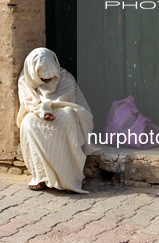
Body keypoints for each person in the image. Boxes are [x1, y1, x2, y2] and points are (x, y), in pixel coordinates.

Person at [16, 48, 99, 193]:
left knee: (68, 116)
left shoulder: (65, 77)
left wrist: (50, 110)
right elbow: (28, 103)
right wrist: (43, 112)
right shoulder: (25, 79)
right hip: (37, 113)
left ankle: (69, 179)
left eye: (49, 77)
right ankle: (39, 177)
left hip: (61, 111)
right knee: (28, 122)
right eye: (42, 78)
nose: (46, 81)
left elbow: (70, 102)